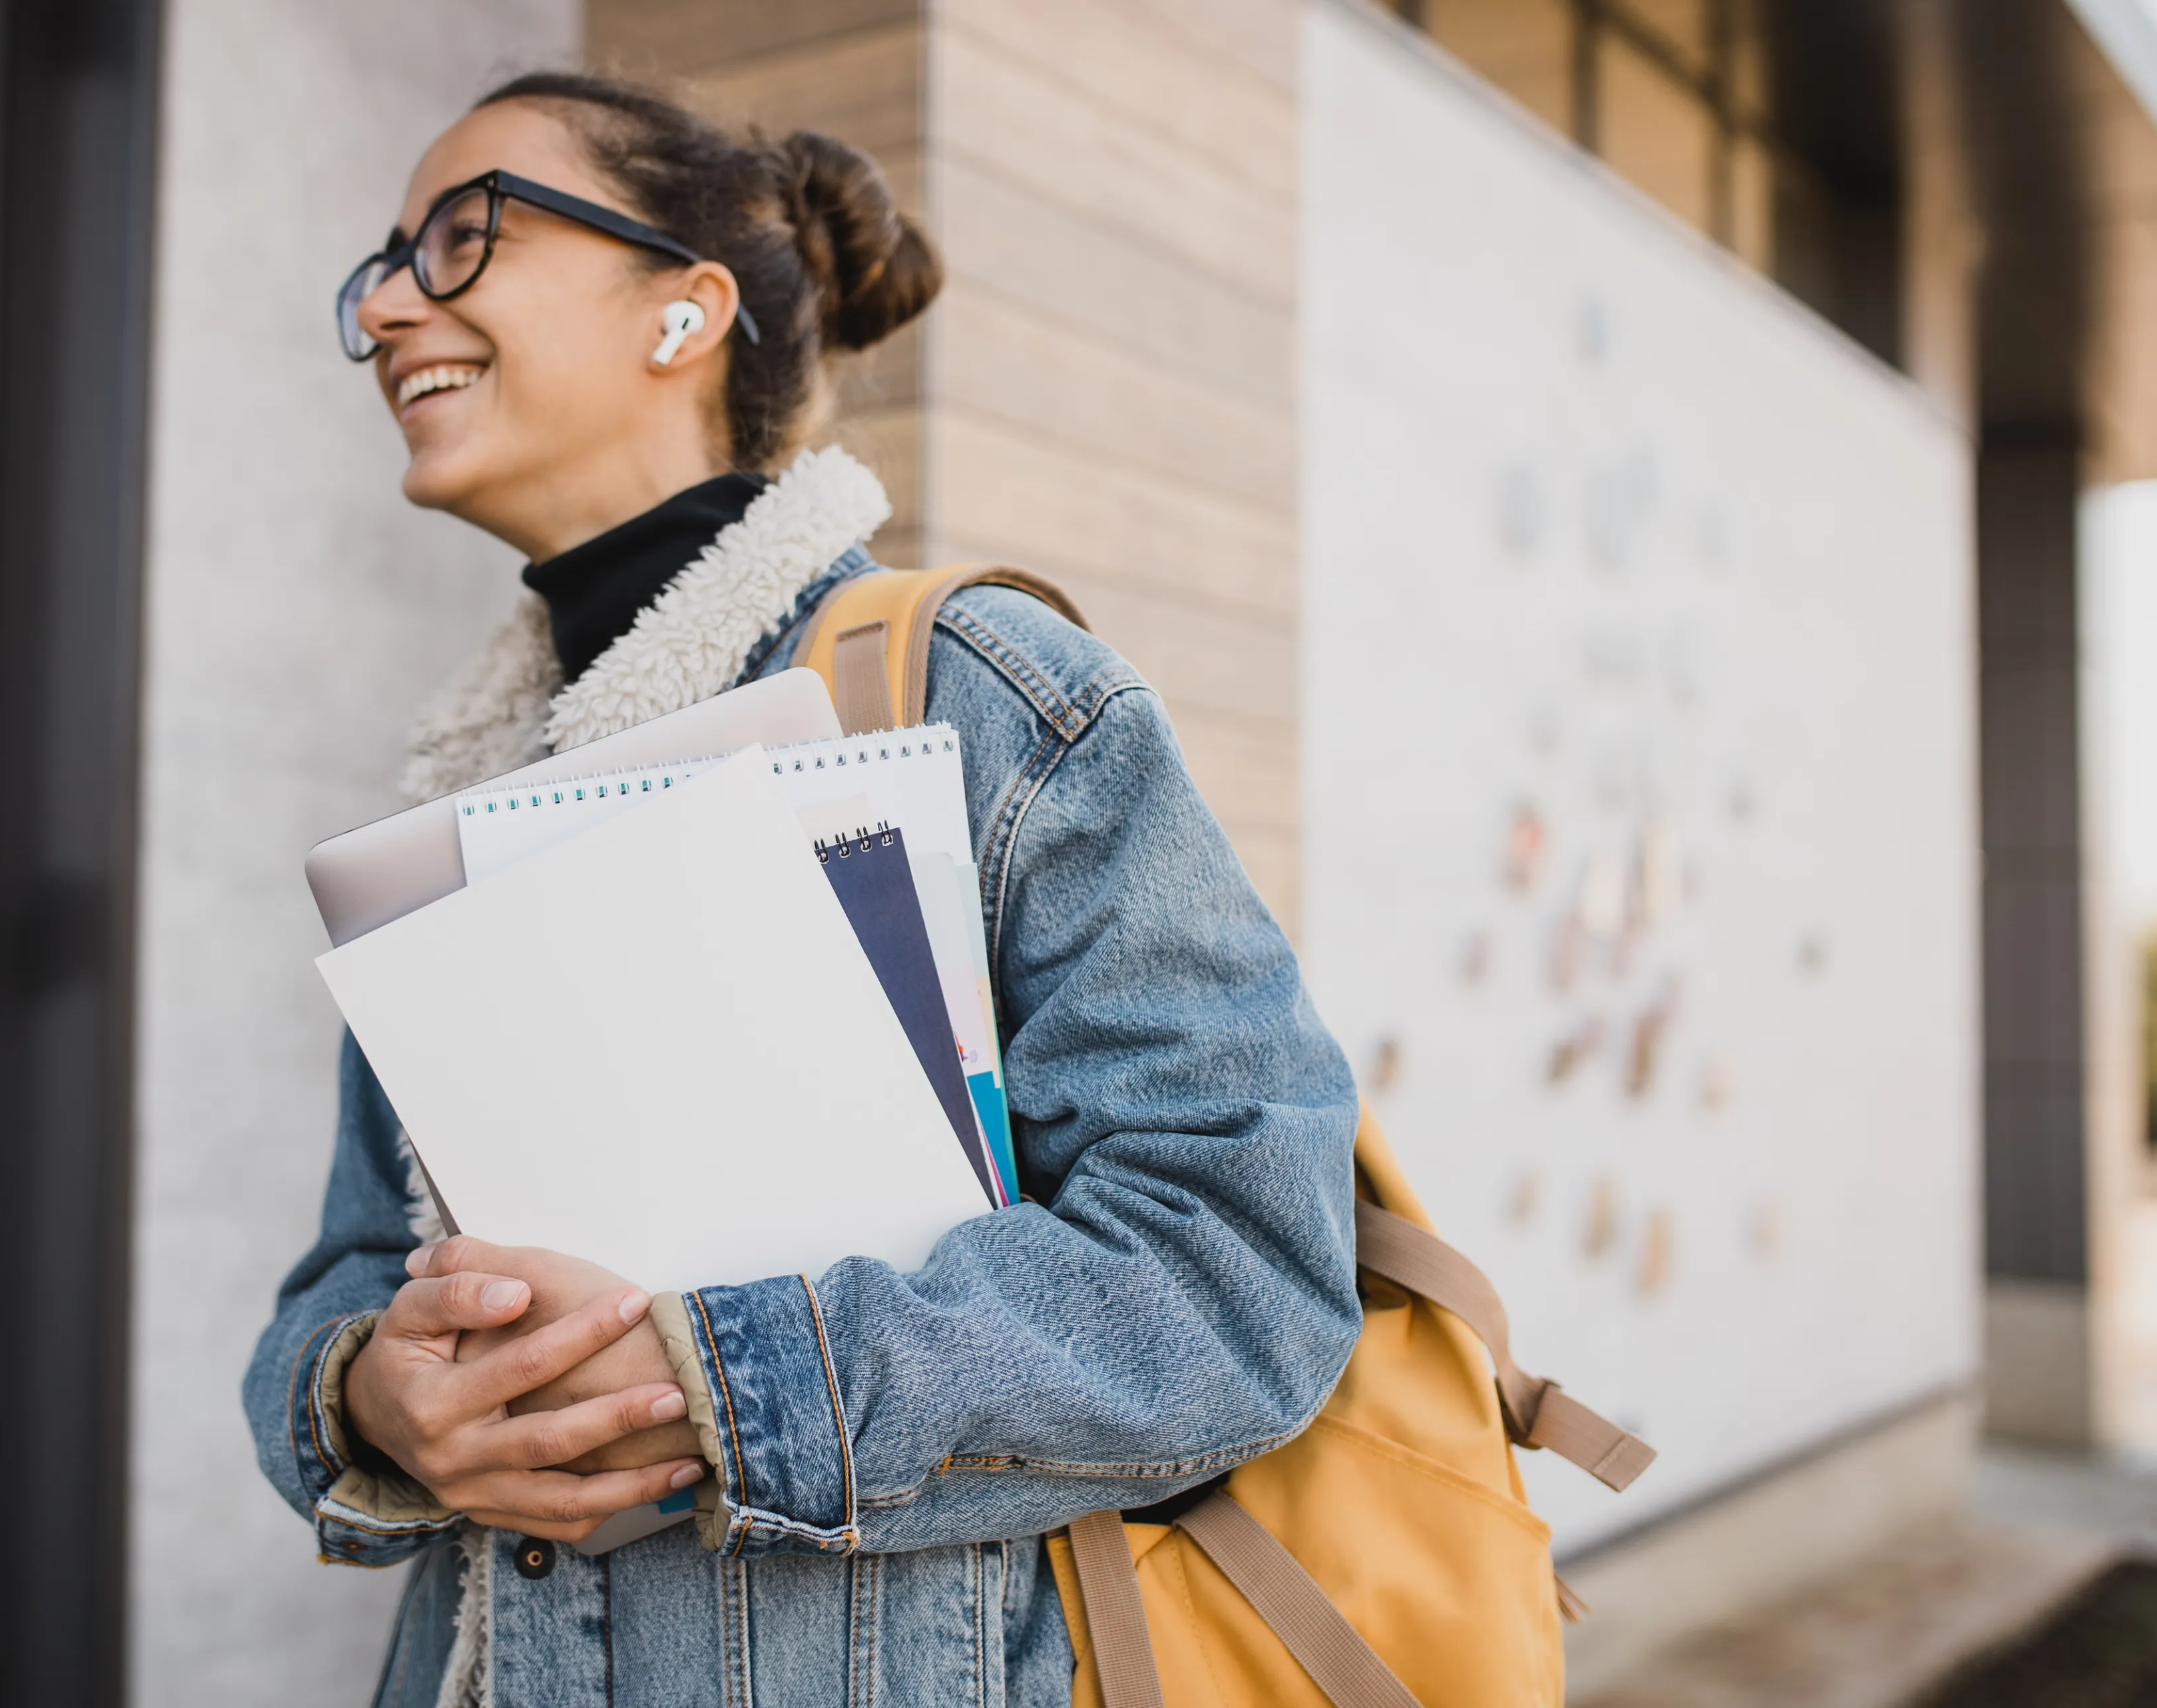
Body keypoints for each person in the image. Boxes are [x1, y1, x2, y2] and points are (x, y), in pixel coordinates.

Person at [243, 71, 1364, 1708]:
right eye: (381, 269)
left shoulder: (986, 693)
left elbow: (1242, 1268)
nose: (389, 307)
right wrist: (370, 1398)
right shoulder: (465, 789)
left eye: (463, 235)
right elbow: (347, 1273)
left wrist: (713, 1378)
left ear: (687, 311)